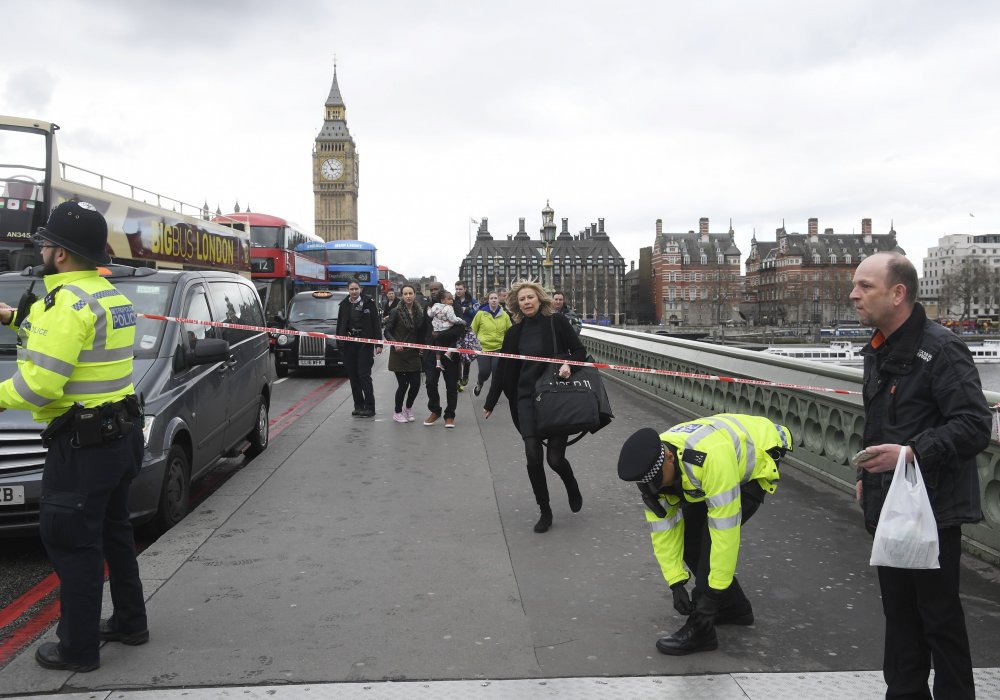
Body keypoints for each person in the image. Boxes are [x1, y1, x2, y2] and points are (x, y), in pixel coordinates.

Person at [0, 201, 147, 672]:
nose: (41, 248)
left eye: (45, 242)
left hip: (81, 449)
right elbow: (77, 343)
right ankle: (130, 622)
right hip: (120, 437)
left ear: (60, 254)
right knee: (115, 534)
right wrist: (12, 318)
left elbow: (41, 383)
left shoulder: (66, 304)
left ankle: (77, 649)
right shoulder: (109, 296)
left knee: (73, 545)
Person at [851, 251, 991, 700]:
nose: (853, 294)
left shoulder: (943, 348)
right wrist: (867, 475)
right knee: (899, 616)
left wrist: (910, 455)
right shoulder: (879, 347)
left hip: (932, 510)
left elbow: (973, 424)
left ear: (898, 293)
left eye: (865, 286)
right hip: (889, 503)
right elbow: (883, 421)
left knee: (938, 618)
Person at [617, 415, 791, 656]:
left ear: (669, 458)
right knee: (691, 537)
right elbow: (663, 529)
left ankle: (702, 630)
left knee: (709, 541)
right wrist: (675, 582)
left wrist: (709, 598)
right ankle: (735, 610)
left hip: (758, 457)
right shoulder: (655, 464)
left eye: (656, 481)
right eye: (646, 483)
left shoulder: (709, 459)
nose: (653, 489)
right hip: (711, 463)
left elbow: (724, 534)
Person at [482, 280, 586, 533]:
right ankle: (545, 510)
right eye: (521, 299)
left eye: (530, 297)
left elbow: (579, 352)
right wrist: (491, 401)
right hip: (525, 399)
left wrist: (569, 365)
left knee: (555, 459)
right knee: (532, 456)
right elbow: (503, 369)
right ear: (516, 305)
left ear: (540, 299)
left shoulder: (557, 323)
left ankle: (570, 483)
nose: (526, 302)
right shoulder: (514, 333)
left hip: (553, 396)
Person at [336, 281, 383, 417]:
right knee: (353, 376)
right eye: (351, 289)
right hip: (349, 344)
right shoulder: (344, 305)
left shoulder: (369, 303)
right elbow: (340, 324)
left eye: (356, 289)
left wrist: (378, 344)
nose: (354, 291)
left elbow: (376, 324)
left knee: (364, 375)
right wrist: (340, 343)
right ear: (348, 290)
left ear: (360, 289)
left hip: (365, 344)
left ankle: (370, 407)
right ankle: (358, 405)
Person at [422, 283, 463, 428]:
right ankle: (435, 410)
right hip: (431, 351)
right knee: (430, 383)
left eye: (436, 289)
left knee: (451, 385)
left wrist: (441, 334)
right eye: (431, 289)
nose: (433, 292)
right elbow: (423, 328)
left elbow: (459, 328)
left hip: (450, 351)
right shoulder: (429, 308)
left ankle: (450, 415)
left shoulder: (454, 306)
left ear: (442, 291)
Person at [383, 284, 425, 423]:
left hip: (413, 353)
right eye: (405, 294)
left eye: (410, 293)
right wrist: (395, 343)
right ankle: (397, 412)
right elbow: (387, 331)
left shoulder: (419, 311)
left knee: (416, 384)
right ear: (402, 295)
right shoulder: (396, 311)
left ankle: (408, 408)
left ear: (414, 295)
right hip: (399, 354)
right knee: (403, 385)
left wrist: (422, 345)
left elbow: (421, 332)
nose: (408, 296)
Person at [470, 291, 511, 396]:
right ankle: (479, 383)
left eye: (495, 298)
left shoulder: (504, 315)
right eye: (491, 298)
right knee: (484, 372)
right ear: (488, 300)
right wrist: (473, 344)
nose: (493, 300)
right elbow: (473, 330)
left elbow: (510, 332)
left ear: (498, 300)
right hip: (483, 347)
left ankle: (492, 395)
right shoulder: (480, 313)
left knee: (496, 372)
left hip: (498, 348)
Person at [427, 290, 466, 370]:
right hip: (446, 328)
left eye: (452, 299)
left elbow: (430, 315)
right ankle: (448, 352)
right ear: (442, 300)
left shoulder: (436, 306)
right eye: (449, 299)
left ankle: (438, 362)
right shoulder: (449, 308)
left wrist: (428, 310)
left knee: (438, 344)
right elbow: (453, 319)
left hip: (436, 329)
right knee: (456, 339)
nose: (451, 301)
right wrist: (461, 321)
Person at [454, 281, 478, 389]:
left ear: (465, 289)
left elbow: (478, 313)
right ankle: (458, 380)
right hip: (457, 331)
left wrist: (467, 310)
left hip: (468, 331)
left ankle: (465, 377)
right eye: (456, 289)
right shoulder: (454, 301)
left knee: (467, 357)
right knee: (458, 357)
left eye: (460, 289)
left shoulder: (472, 301)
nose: (458, 291)